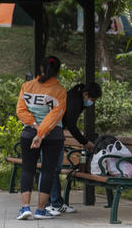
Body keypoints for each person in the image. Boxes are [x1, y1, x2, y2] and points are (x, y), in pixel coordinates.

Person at [15, 56, 67, 220]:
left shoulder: (27, 86)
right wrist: (42, 133)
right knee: (48, 171)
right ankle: (41, 209)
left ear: (41, 69)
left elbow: (21, 110)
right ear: (58, 72)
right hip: (53, 135)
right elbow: (55, 115)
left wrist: (36, 129)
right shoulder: (59, 91)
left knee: (27, 169)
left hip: (29, 133)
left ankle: (24, 208)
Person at [43, 82, 102, 215]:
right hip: (52, 133)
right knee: (52, 170)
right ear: (85, 94)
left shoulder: (73, 95)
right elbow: (71, 125)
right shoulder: (74, 101)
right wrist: (85, 142)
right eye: (92, 100)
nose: (91, 103)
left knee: (51, 169)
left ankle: (53, 203)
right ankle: (52, 204)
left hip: (51, 131)